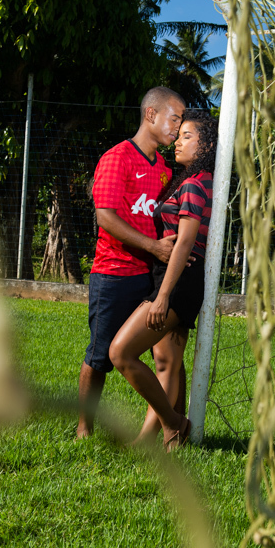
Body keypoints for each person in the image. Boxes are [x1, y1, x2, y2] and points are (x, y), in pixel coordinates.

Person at [76, 87, 186, 439]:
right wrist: (154, 247)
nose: (178, 127)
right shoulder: (117, 158)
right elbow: (105, 217)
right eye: (174, 118)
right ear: (151, 114)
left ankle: (173, 427)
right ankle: (83, 429)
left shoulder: (166, 171)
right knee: (100, 356)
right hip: (114, 274)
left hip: (152, 277)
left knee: (167, 354)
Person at [110, 109, 218, 451]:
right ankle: (155, 440)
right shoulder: (195, 179)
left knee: (121, 352)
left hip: (179, 279)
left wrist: (162, 297)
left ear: (206, 144)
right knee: (166, 361)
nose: (177, 143)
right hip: (175, 276)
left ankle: (174, 423)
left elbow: (185, 243)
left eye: (187, 136)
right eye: (178, 135)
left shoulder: (195, 184)